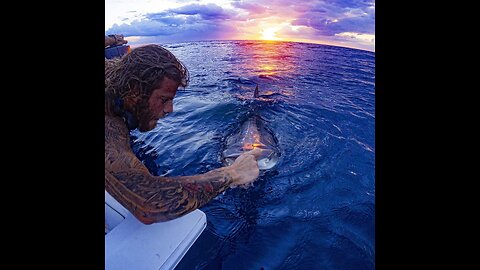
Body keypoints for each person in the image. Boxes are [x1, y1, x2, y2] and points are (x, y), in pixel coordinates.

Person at [105, 42, 263, 225]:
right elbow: (149, 204)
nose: (170, 109)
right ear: (134, 91)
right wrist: (233, 173)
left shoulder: (113, 75)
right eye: (163, 99)